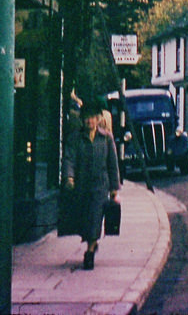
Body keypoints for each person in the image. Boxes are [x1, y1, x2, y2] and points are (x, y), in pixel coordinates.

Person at [63, 100, 121, 270]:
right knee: (84, 220)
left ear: (98, 120)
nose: (89, 122)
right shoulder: (75, 138)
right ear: (82, 120)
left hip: (100, 187)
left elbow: (113, 164)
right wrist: (69, 178)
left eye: (92, 118)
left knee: (95, 218)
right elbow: (69, 159)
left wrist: (114, 188)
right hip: (81, 186)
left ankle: (89, 253)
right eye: (86, 119)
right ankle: (92, 244)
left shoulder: (106, 138)